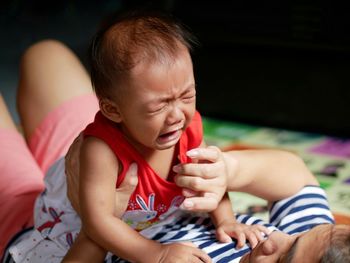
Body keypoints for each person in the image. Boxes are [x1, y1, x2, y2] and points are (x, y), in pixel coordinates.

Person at [0, 12, 347, 263]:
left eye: (285, 256)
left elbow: (97, 222)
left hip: (56, 230)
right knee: (45, 56)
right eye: (296, 236)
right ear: (112, 110)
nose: (277, 236)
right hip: (122, 146)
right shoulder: (324, 246)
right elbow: (291, 178)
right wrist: (226, 194)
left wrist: (154, 252)